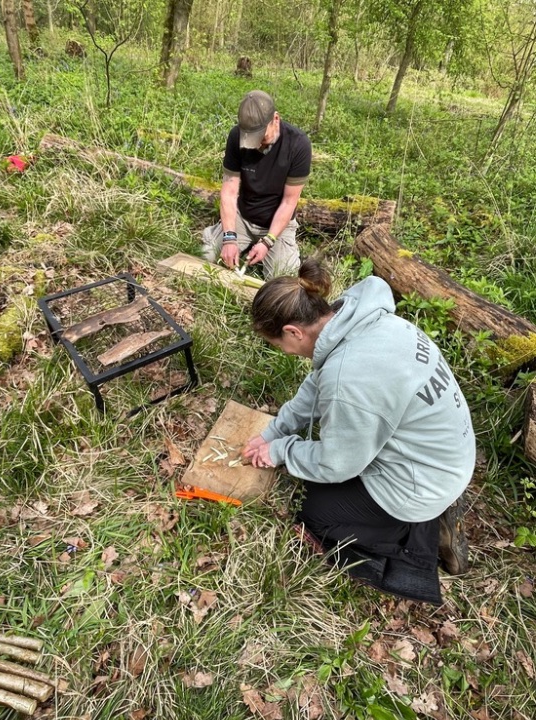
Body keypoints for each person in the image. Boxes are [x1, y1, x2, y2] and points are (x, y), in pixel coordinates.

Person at [242, 260, 476, 605]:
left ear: (293, 332)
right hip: (446, 453)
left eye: (278, 344)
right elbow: (318, 386)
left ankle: (415, 535)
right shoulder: (356, 322)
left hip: (424, 481)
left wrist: (281, 451)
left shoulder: (349, 375)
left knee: (315, 510)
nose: (283, 351)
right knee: (324, 471)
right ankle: (431, 511)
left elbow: (338, 464)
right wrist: (274, 432)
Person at [202, 90, 312, 279]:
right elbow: (229, 192)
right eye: (251, 138)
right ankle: (220, 235)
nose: (257, 144)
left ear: (275, 119)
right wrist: (229, 237)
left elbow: (289, 202)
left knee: (281, 279)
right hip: (243, 217)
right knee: (207, 256)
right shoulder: (236, 136)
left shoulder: (298, 145)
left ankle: (281, 251)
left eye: (262, 136)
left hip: (277, 225)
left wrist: (268, 241)